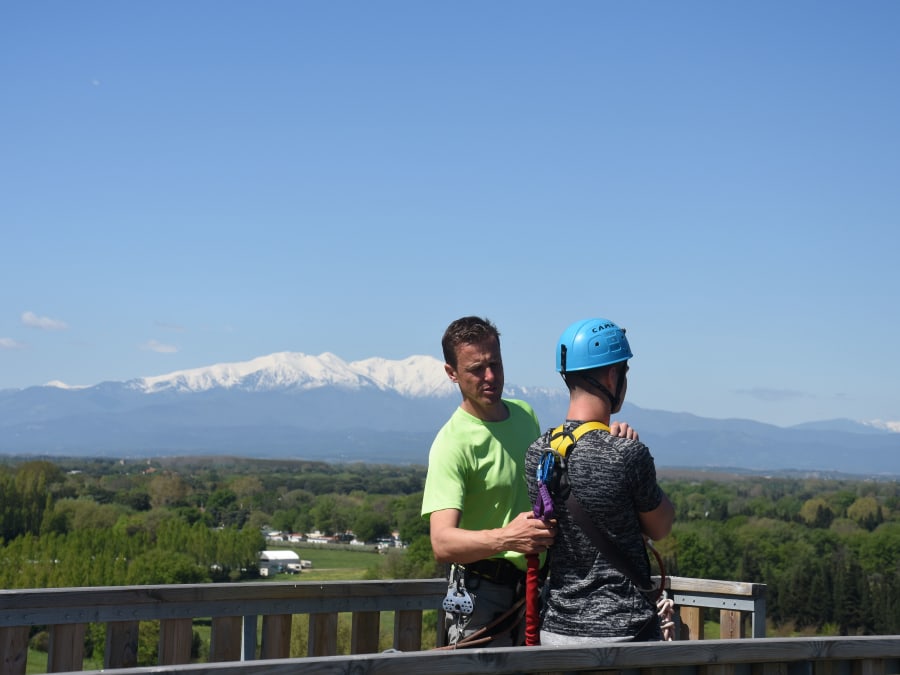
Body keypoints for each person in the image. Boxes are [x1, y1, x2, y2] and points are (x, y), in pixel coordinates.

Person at [525, 317, 675, 645]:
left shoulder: (539, 453)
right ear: (612, 375)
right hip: (625, 632)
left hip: (556, 631)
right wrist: (632, 453)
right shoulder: (626, 453)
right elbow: (661, 527)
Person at [421, 316, 553, 647]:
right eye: (477, 369)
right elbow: (442, 542)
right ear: (451, 373)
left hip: (537, 588)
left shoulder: (525, 414)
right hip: (481, 599)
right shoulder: (452, 444)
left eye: (495, 364)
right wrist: (508, 538)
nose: (490, 377)